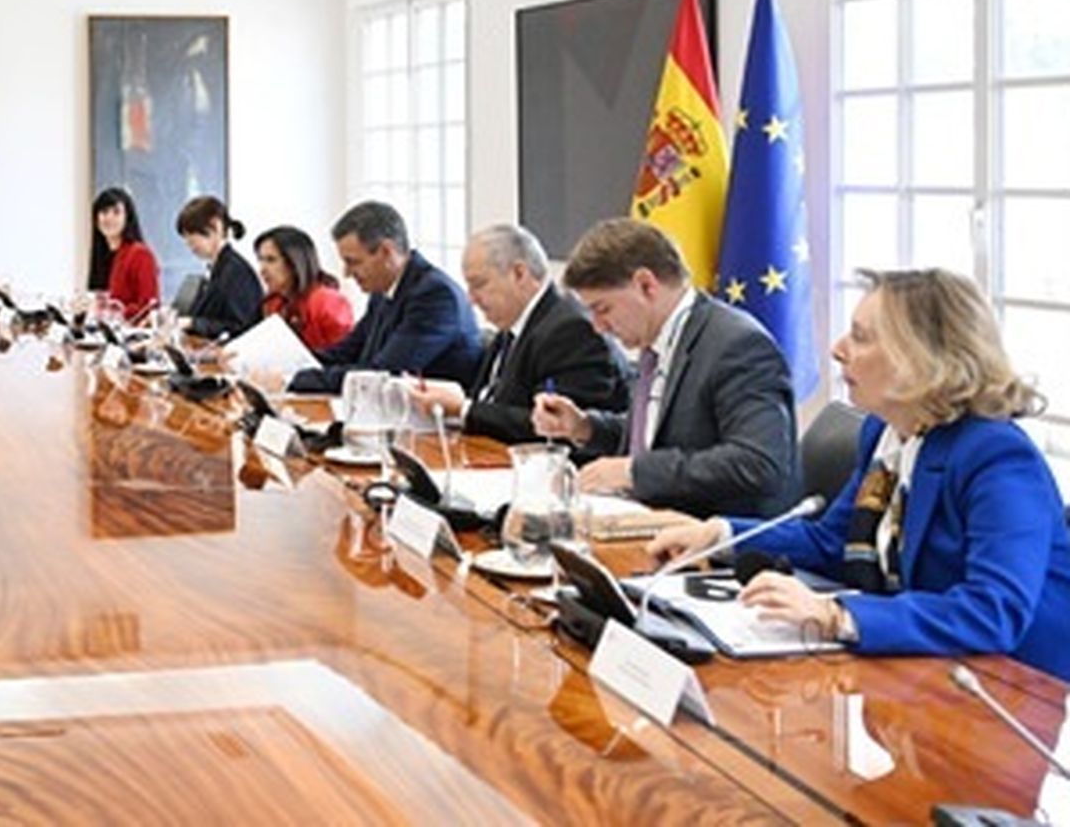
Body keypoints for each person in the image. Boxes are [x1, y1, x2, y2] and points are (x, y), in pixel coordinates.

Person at [648, 269, 1070, 681]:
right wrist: (720, 535)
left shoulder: (996, 456)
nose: (837, 349)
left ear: (922, 359)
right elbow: (833, 541)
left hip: (1013, 688)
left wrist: (837, 615)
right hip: (921, 668)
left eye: (861, 337)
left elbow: (993, 611)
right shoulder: (884, 433)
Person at [532, 218, 796, 518]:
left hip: (710, 534)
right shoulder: (655, 344)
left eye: (603, 309)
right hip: (650, 519)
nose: (598, 326)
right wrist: (584, 426)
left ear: (646, 285)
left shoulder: (737, 345)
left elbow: (759, 462)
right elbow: (659, 434)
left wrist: (633, 472)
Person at [409, 224, 629, 445]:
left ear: (519, 274)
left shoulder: (570, 329)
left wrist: (462, 409)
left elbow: (552, 427)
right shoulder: (513, 325)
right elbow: (491, 399)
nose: (471, 299)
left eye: (479, 284)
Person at [287, 200, 480, 393]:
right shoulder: (383, 290)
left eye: (353, 262)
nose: (346, 273)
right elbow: (347, 352)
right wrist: (290, 367)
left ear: (386, 252)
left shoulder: (435, 296)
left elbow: (383, 375)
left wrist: (294, 380)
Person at [255, 225, 354, 353]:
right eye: (260, 260)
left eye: (271, 260)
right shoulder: (272, 303)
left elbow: (345, 355)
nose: (262, 269)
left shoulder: (328, 302)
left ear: (295, 261)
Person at [176, 196, 262, 339]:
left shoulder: (236, 271)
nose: (188, 242)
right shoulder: (217, 267)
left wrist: (192, 323)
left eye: (191, 233)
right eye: (185, 235)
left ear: (215, 226)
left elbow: (240, 327)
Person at [86, 187, 159, 320]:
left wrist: (110, 311)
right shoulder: (101, 255)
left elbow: (149, 306)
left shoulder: (141, 254)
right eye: (104, 212)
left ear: (127, 217)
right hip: (106, 329)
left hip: (131, 330)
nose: (109, 217)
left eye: (116, 212)